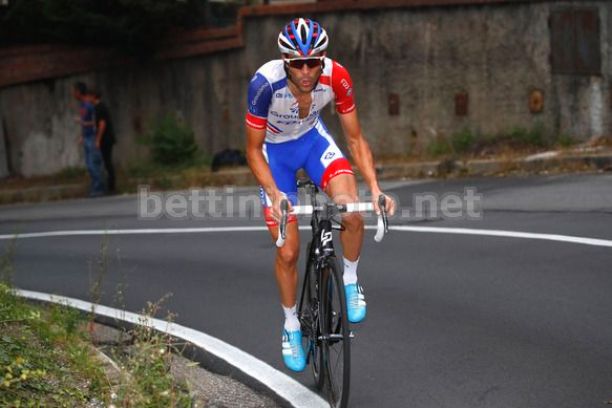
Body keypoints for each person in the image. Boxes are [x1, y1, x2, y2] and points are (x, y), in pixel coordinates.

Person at [245, 18, 396, 372]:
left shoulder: (337, 76)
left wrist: (374, 188)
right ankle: (291, 325)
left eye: (314, 61)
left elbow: (355, 139)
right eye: (298, 63)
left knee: (352, 213)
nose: (307, 70)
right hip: (274, 155)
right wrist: (274, 193)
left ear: (323, 58)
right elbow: (252, 151)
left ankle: (349, 279)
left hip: (313, 143)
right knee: (289, 251)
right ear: (285, 61)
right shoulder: (264, 84)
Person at [72, 82, 105, 197]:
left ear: (79, 92)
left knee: (93, 164)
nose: (73, 94)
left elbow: (95, 122)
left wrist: (83, 123)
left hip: (92, 137)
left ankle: (99, 188)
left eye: (74, 91)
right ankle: (96, 186)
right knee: (89, 164)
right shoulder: (82, 105)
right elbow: (85, 123)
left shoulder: (89, 105)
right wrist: (82, 135)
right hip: (86, 137)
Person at [91, 90, 116, 193]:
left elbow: (102, 125)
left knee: (107, 162)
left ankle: (111, 187)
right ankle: (109, 186)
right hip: (106, 138)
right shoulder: (99, 107)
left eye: (89, 97)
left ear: (93, 96)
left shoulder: (100, 108)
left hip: (106, 139)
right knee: (106, 162)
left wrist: (98, 140)